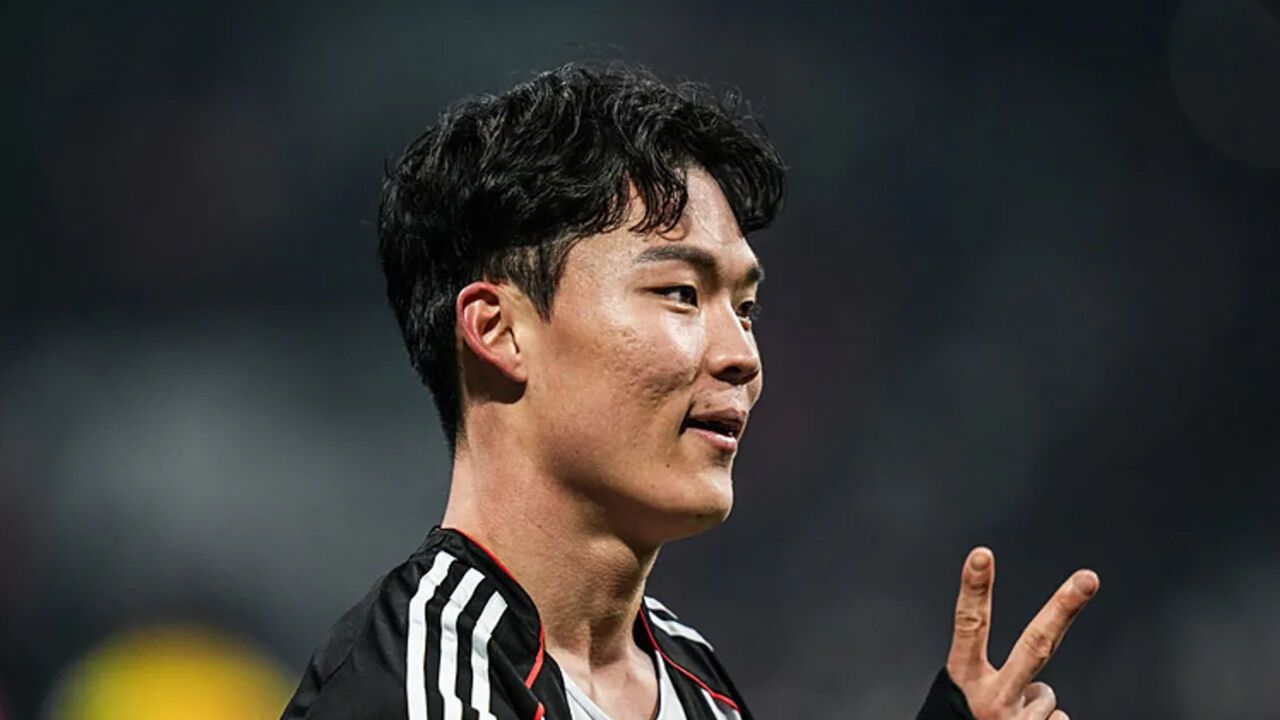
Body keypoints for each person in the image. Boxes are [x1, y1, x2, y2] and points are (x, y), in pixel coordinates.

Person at [281, 62, 1099, 720]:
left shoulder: (694, 680)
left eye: (745, 309)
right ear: (499, 332)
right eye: (679, 293)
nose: (743, 356)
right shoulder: (422, 682)